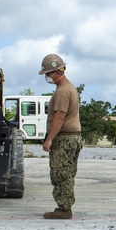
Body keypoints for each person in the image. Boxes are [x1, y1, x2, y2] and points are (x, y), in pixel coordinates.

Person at [39, 53, 82, 219]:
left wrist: (49, 139)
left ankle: (64, 209)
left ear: (57, 72)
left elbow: (59, 117)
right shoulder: (68, 88)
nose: (48, 77)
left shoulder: (63, 91)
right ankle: (65, 206)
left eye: (49, 73)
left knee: (60, 173)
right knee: (67, 173)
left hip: (65, 139)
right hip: (72, 138)